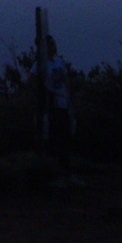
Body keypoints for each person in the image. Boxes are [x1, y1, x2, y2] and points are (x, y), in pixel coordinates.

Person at [45, 35, 74, 169]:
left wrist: (69, 98)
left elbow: (66, 79)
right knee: (57, 138)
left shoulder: (59, 61)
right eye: (50, 45)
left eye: (53, 44)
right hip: (54, 105)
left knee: (67, 138)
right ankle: (58, 171)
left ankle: (67, 172)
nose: (53, 47)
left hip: (64, 103)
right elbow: (32, 82)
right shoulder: (40, 64)